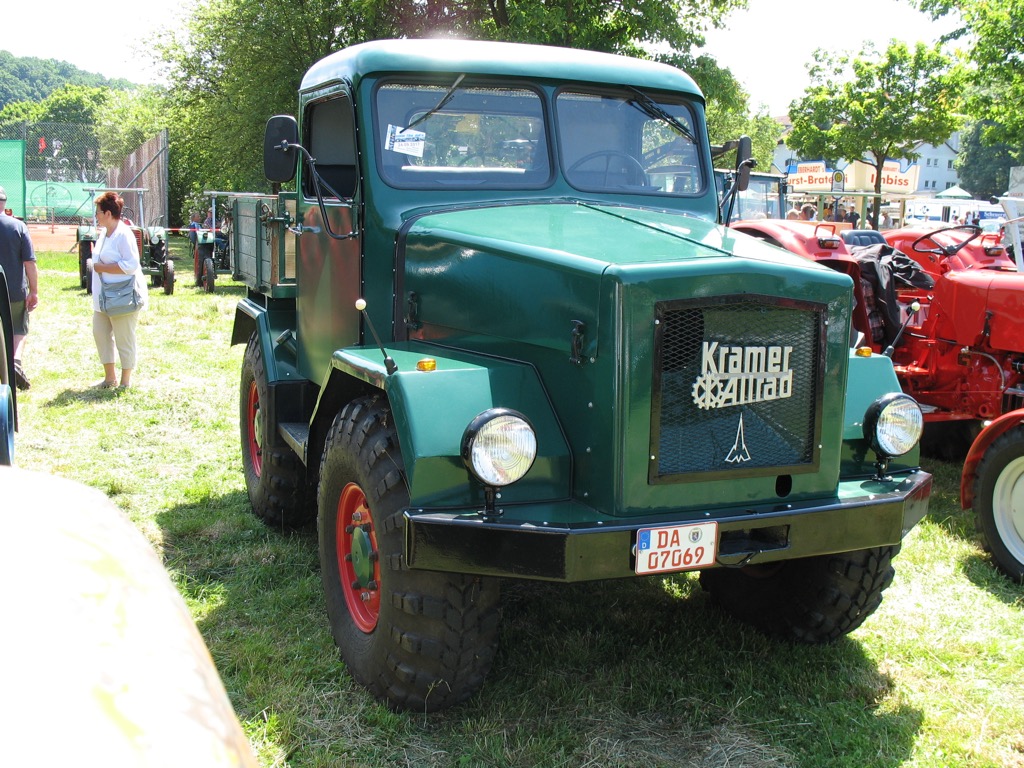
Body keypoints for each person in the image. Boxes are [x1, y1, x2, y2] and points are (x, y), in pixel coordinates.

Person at [89, 191, 148, 389]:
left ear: (107, 213)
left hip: (122, 297)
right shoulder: (105, 233)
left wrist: (103, 267)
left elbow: (131, 265)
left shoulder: (124, 234)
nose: (96, 215)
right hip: (103, 297)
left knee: (124, 337)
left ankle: (125, 382)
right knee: (100, 332)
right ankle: (109, 378)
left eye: (98, 212)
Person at [0, 186, 39, 390]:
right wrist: (34, 291)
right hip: (13, 290)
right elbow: (29, 263)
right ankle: (14, 362)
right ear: (4, 204)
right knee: (18, 327)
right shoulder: (18, 226)